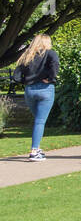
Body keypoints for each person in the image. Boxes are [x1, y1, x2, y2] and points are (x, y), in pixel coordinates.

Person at [12, 34, 58, 162]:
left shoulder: (27, 56)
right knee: (40, 121)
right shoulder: (50, 54)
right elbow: (55, 65)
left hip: (30, 90)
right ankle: (34, 150)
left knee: (38, 120)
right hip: (45, 89)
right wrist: (51, 79)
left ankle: (37, 148)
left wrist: (25, 81)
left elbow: (16, 76)